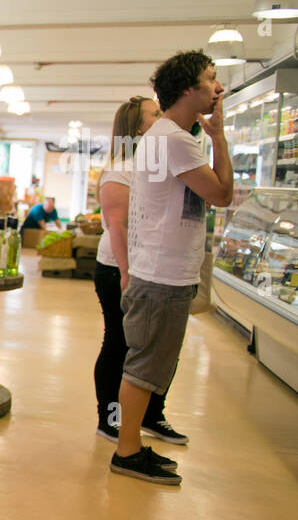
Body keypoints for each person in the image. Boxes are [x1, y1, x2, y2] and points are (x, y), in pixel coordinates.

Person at [111, 51, 232, 485]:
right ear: (187, 90)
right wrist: (219, 138)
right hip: (161, 273)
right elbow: (221, 194)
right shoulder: (175, 140)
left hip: (161, 269)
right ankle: (126, 452)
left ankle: (132, 446)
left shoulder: (168, 135)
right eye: (211, 79)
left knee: (150, 363)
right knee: (145, 366)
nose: (218, 88)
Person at [93, 97, 186, 445]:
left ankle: (150, 414)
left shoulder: (157, 163)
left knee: (157, 345)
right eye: (155, 114)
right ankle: (109, 418)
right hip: (118, 267)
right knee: (120, 341)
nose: (163, 119)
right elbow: (117, 227)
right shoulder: (121, 169)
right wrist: (128, 274)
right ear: (138, 128)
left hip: (153, 267)